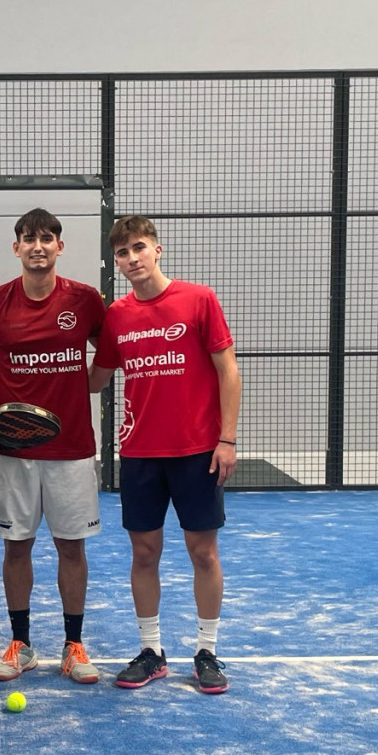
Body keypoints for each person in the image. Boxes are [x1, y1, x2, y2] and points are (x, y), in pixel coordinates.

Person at [90, 215, 241, 695]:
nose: (131, 258)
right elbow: (95, 379)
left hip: (198, 451)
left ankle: (207, 652)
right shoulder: (117, 316)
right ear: (116, 263)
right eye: (122, 253)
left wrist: (227, 439)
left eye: (139, 247)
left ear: (157, 250)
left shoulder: (199, 299)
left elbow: (228, 371)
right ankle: (151, 651)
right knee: (144, 552)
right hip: (140, 453)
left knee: (203, 553)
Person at [0, 208, 108, 686]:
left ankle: (73, 645)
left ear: (60, 247)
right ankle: (21, 644)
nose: (38, 246)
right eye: (29, 239)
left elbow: (109, 352)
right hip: (14, 453)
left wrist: (87, 384)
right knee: (16, 547)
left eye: (47, 238)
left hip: (72, 450)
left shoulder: (85, 300)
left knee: (71, 547)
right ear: (17, 248)